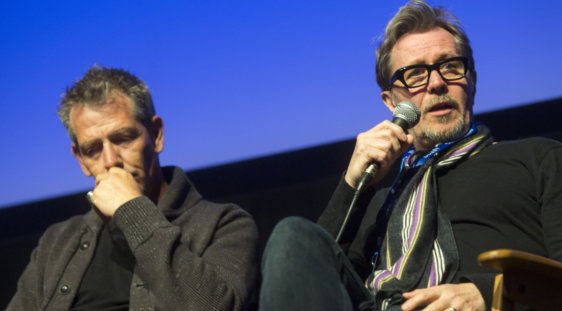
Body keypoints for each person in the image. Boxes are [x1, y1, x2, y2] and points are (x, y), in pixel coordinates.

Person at [259, 1, 562, 311]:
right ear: (391, 102)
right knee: (293, 238)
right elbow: (308, 278)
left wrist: (490, 291)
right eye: (415, 74)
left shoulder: (539, 159)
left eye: (450, 66)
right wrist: (352, 185)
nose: (436, 82)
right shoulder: (378, 206)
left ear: (472, 80)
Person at [7, 66, 259, 310]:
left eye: (123, 138)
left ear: (156, 135)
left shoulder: (224, 224)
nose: (110, 161)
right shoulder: (57, 243)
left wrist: (133, 210)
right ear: (80, 159)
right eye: (93, 149)